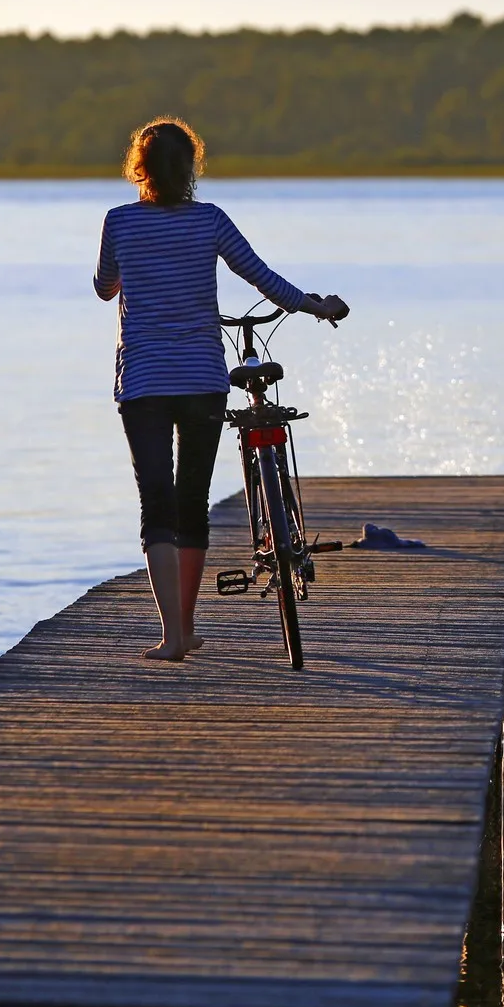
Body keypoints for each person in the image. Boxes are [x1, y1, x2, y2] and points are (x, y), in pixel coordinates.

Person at [93, 117, 347, 661]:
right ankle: (187, 625)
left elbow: (102, 287)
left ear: (139, 168)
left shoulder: (118, 222)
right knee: (192, 503)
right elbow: (264, 278)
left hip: (143, 383)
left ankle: (172, 638)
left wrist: (125, 276)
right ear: (190, 169)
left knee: (155, 506)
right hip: (202, 381)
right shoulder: (209, 221)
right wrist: (316, 306)